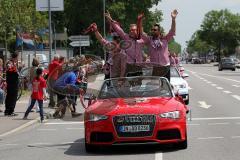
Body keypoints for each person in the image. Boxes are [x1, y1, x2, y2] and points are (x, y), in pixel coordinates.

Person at [141, 9, 178, 82]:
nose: (153, 31)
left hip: (165, 66)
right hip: (155, 67)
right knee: (155, 86)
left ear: (159, 31)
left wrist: (173, 19)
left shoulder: (165, 39)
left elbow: (172, 31)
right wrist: (140, 21)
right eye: (152, 30)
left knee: (166, 87)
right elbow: (141, 33)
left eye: (155, 30)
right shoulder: (149, 40)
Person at [105, 11, 145, 77]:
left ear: (137, 30)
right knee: (127, 86)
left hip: (138, 66)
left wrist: (139, 21)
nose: (131, 31)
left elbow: (142, 33)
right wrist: (110, 20)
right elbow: (118, 29)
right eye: (130, 30)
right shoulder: (126, 37)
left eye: (133, 30)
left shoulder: (142, 40)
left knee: (138, 86)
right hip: (128, 66)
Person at [4, 52, 19, 116]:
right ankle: (10, 111)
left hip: (11, 82)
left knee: (9, 96)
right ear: (15, 57)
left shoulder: (11, 62)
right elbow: (9, 68)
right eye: (17, 57)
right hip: (12, 83)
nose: (17, 59)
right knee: (13, 97)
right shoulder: (10, 63)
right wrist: (14, 67)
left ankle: (7, 111)